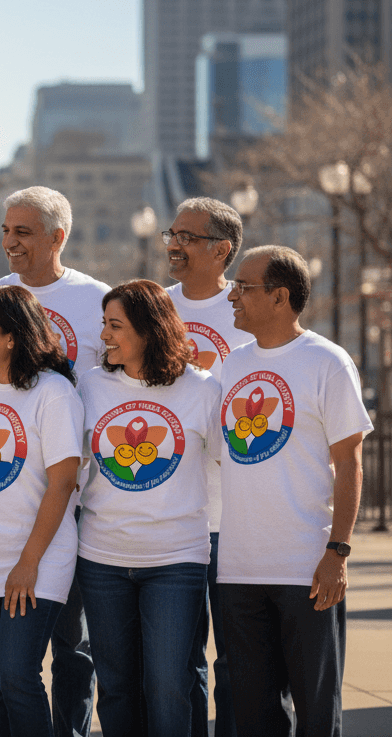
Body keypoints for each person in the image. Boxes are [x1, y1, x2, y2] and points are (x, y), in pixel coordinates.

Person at [0, 186, 107, 737]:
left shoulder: (96, 298)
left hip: (74, 498)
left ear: (58, 236)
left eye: (22, 232)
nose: (10, 242)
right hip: (0, 509)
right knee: (1, 669)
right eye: (6, 230)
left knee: (70, 647)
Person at [218, 246, 370, 737]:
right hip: (239, 569)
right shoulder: (231, 365)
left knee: (316, 712)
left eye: (244, 287)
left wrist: (338, 552)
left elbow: (349, 463)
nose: (232, 296)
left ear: (280, 296)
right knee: (254, 715)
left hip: (307, 567)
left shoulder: (328, 361)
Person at [75, 280, 221, 737]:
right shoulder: (90, 386)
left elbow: (224, 468)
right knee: (116, 686)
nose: (104, 335)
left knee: (168, 684)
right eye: (104, 324)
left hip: (176, 560)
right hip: (102, 559)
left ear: (150, 329)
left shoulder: (202, 389)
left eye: (115, 325)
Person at [0, 284, 82, 737]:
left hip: (34, 559)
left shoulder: (53, 393)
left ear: (11, 337)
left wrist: (28, 562)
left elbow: (63, 481)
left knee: (17, 676)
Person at [162, 197, 252, 737]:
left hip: (236, 516)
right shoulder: (155, 308)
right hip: (171, 516)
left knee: (239, 663)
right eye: (171, 234)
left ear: (223, 250)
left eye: (188, 237)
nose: (174, 244)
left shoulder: (247, 310)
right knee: (179, 663)